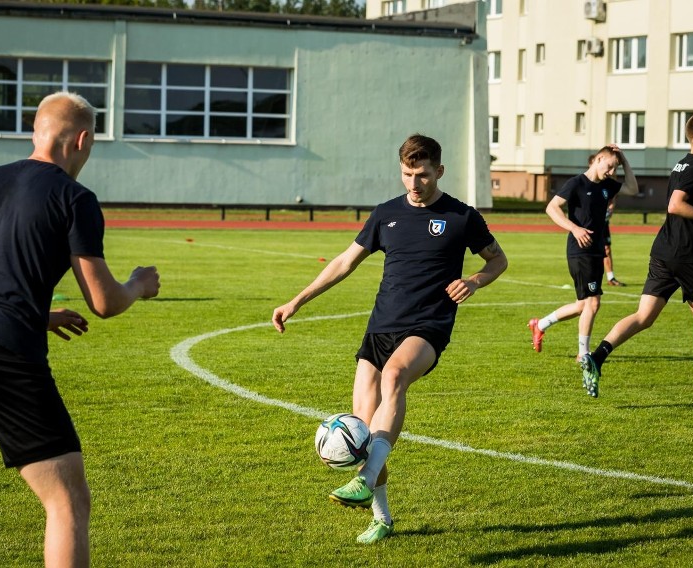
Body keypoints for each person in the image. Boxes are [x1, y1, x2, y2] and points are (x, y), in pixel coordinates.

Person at [0, 92, 161, 568]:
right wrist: (138, 285)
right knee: (67, 501)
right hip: (2, 352)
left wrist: (39, 316)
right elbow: (104, 302)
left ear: (36, 132)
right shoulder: (74, 196)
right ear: (82, 140)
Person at [272, 134, 508, 544]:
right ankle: (381, 517)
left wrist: (474, 280)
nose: (414, 184)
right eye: (406, 175)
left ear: (439, 171)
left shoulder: (461, 216)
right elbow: (345, 262)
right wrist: (297, 300)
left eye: (422, 175)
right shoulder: (385, 214)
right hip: (381, 326)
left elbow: (498, 259)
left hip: (429, 325)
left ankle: (362, 482)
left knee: (395, 376)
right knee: (365, 432)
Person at [580, 114, 693, 405]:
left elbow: (685, 198)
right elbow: (675, 205)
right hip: (687, 255)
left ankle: (596, 356)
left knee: (644, 317)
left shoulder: (684, 163)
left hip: (664, 251)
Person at [527, 144, 638, 359]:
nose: (612, 172)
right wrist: (574, 228)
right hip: (580, 251)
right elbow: (552, 207)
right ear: (598, 160)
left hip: (596, 251)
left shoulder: (607, 185)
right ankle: (583, 354)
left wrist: (624, 160)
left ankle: (540, 324)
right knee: (593, 303)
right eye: (610, 166)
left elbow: (633, 189)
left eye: (616, 168)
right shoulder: (577, 183)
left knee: (582, 305)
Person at [603, 196, 626, 287]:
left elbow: (612, 199)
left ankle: (611, 278)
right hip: (592, 224)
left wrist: (611, 207)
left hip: (604, 225)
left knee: (607, 250)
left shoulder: (608, 187)